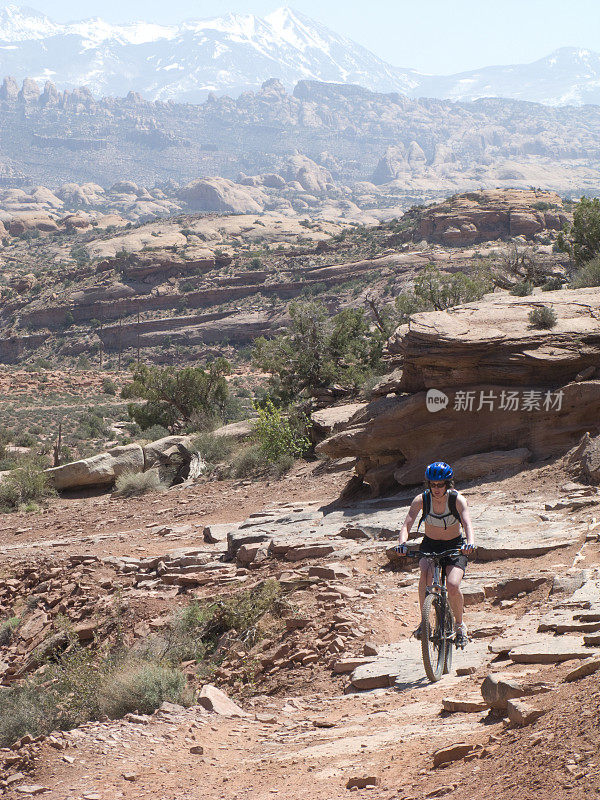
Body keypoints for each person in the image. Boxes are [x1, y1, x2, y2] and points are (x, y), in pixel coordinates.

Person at [397, 461, 475, 646]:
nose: (437, 488)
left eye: (440, 485)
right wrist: (402, 544)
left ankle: (459, 626)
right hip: (430, 544)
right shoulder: (421, 499)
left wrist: (470, 542)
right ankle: (425, 623)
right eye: (433, 484)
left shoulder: (457, 499)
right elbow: (407, 524)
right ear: (428, 485)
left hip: (455, 545)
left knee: (453, 584)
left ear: (448, 484)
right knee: (425, 573)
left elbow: (467, 523)